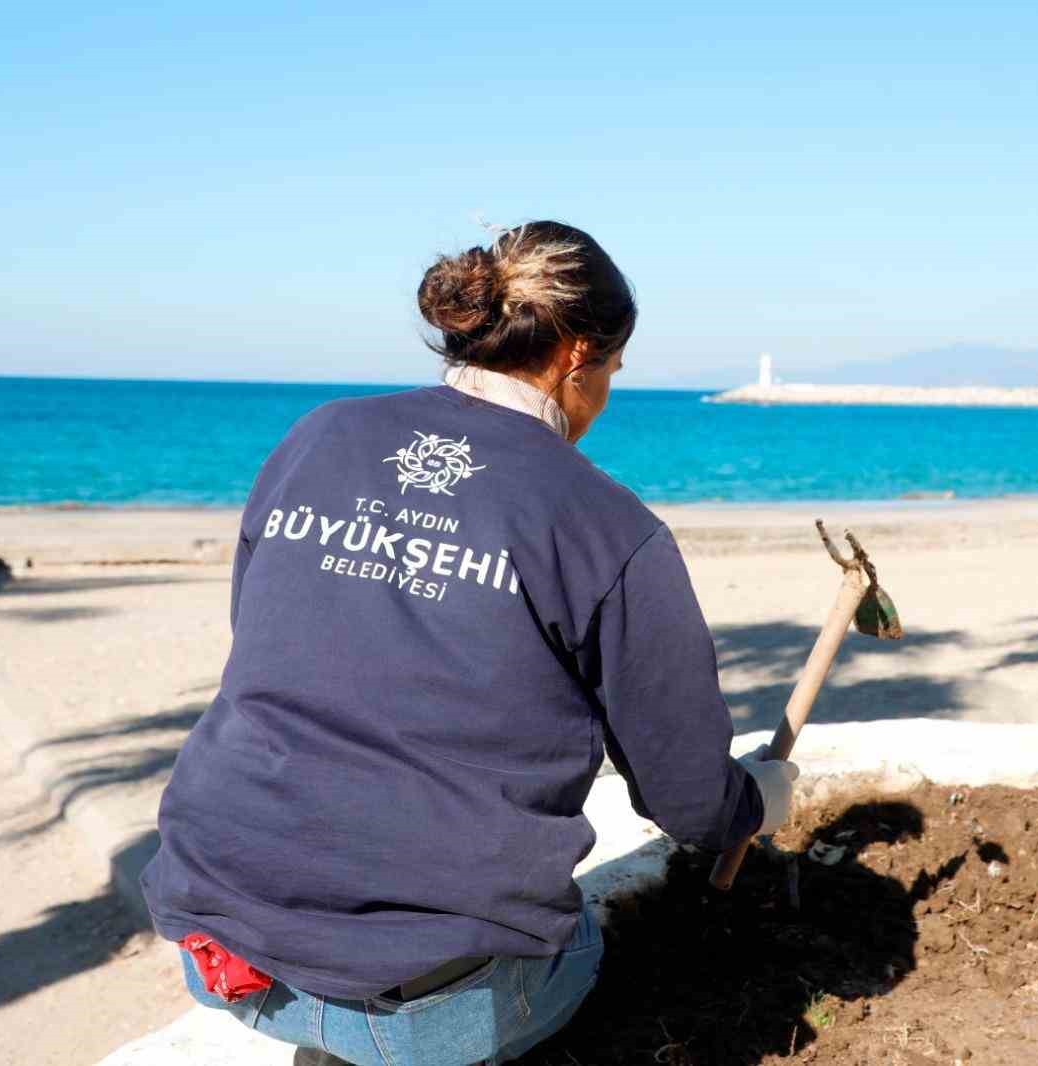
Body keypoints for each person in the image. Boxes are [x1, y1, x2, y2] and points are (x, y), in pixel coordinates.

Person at [140, 221, 800, 1066]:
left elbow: (266, 636)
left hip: (220, 926)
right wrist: (761, 799)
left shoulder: (320, 435)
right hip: (431, 997)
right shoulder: (606, 526)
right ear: (576, 357)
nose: (604, 400)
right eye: (613, 374)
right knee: (581, 944)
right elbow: (692, 805)